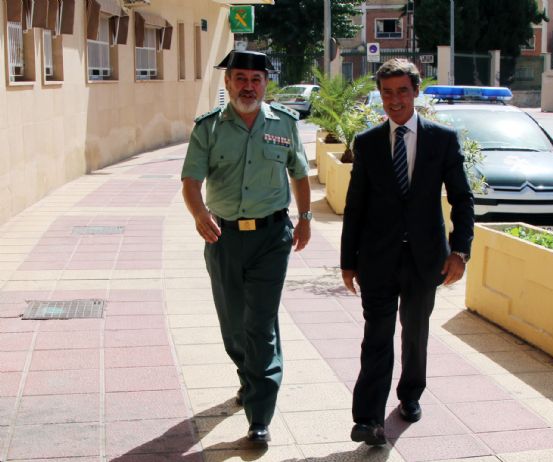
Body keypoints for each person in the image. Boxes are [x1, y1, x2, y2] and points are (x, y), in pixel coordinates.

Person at [340, 59, 474, 446]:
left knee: (415, 332)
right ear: (379, 95)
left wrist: (460, 251)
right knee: (376, 336)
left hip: (425, 258)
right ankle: (367, 418)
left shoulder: (441, 139)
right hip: (377, 259)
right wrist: (349, 261)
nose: (394, 100)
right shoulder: (367, 143)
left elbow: (463, 199)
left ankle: (410, 395)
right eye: (387, 92)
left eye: (402, 91)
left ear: (416, 92)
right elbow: (355, 206)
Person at [181, 50, 312, 444]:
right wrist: (199, 213)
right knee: (234, 325)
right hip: (224, 238)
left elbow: (301, 174)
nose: (248, 86)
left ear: (265, 84)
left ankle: (260, 414)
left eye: (255, 80)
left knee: (259, 324)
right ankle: (249, 376)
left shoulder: (284, 124)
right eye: (240, 78)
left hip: (272, 237)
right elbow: (190, 181)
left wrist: (304, 219)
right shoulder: (209, 127)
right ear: (228, 83)